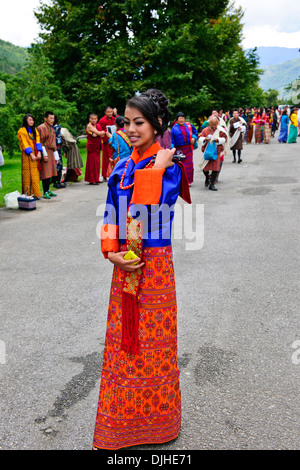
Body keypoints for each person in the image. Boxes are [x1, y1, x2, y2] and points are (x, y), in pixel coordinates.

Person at [92, 88, 191, 451]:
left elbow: (145, 216)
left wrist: (159, 168)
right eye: (128, 122)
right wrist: (110, 251)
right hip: (125, 264)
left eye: (140, 123)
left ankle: (159, 423)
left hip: (154, 266)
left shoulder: (171, 167)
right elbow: (112, 213)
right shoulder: (122, 166)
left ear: (157, 124)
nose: (131, 129)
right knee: (123, 344)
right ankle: (124, 421)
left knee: (155, 344)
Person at [198, 115, 228, 191]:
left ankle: (212, 184)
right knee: (205, 168)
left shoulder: (220, 130)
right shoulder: (205, 130)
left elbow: (225, 139)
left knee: (215, 169)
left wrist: (217, 140)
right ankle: (207, 177)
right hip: (207, 152)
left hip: (216, 152)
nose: (213, 126)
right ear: (209, 123)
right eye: (212, 124)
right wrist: (205, 139)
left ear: (218, 123)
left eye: (215, 124)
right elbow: (200, 138)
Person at [17, 113, 42, 198]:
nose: (32, 121)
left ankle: (36, 194)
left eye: (32, 120)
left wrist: (39, 153)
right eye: (30, 120)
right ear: (25, 121)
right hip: (26, 156)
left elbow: (38, 141)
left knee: (35, 175)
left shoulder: (35, 130)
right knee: (27, 175)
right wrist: (31, 154)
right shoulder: (21, 131)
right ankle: (27, 194)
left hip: (35, 155)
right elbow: (24, 144)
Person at [170, 112, 198, 185]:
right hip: (179, 150)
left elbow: (195, 133)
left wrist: (194, 138)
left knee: (189, 166)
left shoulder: (189, 126)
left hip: (188, 149)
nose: (181, 120)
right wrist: (172, 148)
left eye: (183, 118)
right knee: (181, 166)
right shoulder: (173, 128)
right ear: (177, 119)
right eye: (180, 118)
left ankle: (188, 181)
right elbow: (171, 140)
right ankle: (181, 182)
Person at [37, 112, 58, 199]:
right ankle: (45, 191)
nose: (52, 120)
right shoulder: (41, 128)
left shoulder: (52, 128)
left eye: (53, 118)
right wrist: (44, 155)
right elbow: (40, 142)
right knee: (45, 172)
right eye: (50, 118)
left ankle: (48, 190)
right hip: (44, 150)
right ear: (46, 118)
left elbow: (54, 142)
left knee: (51, 172)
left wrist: (56, 156)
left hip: (51, 151)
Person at [98, 106, 118, 181]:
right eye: (108, 112)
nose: (110, 113)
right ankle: (105, 175)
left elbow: (120, 122)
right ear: (105, 112)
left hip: (115, 140)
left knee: (115, 157)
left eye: (111, 112)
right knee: (106, 158)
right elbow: (101, 130)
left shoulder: (114, 119)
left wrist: (116, 114)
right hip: (107, 142)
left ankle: (114, 173)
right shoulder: (102, 120)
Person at [85, 113, 104, 185]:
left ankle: (96, 178)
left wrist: (98, 133)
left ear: (97, 119)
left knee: (97, 163)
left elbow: (100, 134)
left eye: (95, 119)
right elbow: (99, 133)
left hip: (97, 146)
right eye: (92, 119)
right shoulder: (89, 126)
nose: (93, 120)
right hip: (92, 146)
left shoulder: (98, 125)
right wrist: (98, 133)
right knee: (92, 163)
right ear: (90, 119)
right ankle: (92, 179)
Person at [52, 116, 66, 189]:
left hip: (53, 149)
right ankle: (58, 182)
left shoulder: (51, 128)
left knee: (55, 165)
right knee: (59, 165)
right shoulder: (57, 128)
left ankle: (55, 182)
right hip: (57, 148)